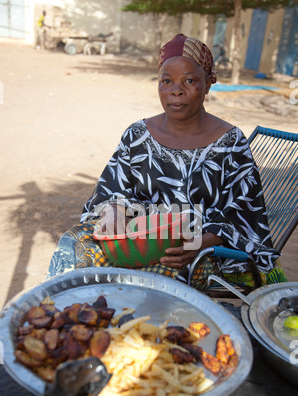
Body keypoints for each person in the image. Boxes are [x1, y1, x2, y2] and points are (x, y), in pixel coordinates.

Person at [47, 34, 287, 289]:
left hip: (195, 248)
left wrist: (200, 243)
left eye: (190, 80)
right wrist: (114, 208)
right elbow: (111, 189)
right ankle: (61, 317)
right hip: (135, 237)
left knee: (153, 274)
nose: (176, 90)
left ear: (208, 84)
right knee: (73, 246)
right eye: (166, 81)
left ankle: (134, 326)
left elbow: (243, 214)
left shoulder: (230, 142)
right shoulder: (138, 135)